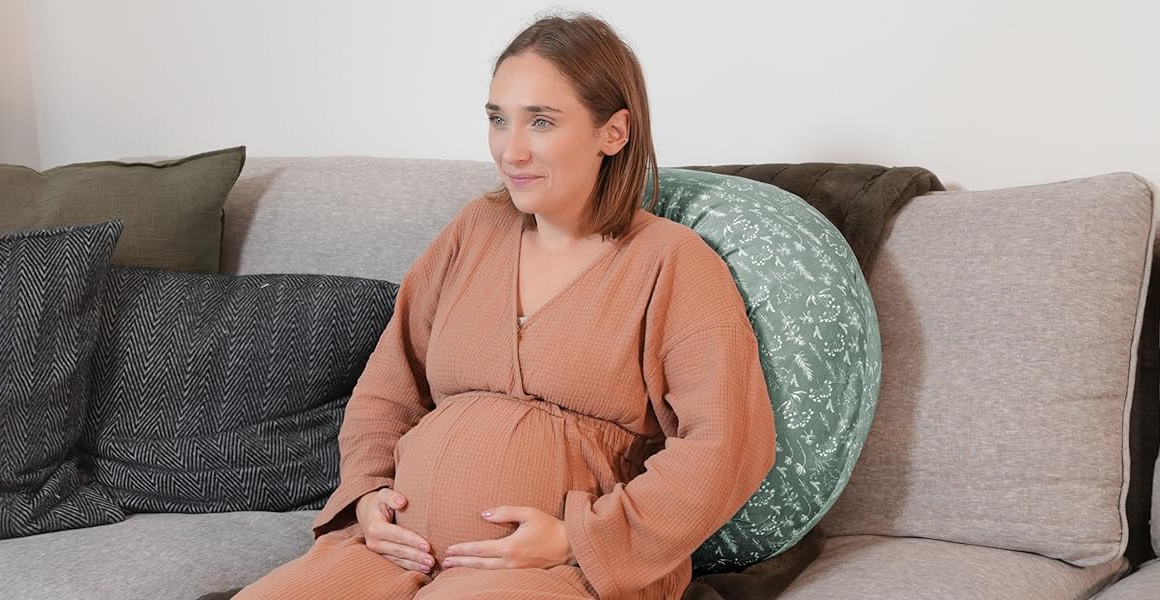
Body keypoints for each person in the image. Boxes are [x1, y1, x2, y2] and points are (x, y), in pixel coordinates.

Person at [237, 13, 774, 600]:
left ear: (613, 132)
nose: (510, 151)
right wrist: (366, 494)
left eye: (541, 121)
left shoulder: (672, 262)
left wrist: (576, 538)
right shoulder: (475, 229)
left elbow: (726, 444)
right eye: (498, 119)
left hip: (563, 569)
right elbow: (390, 384)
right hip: (396, 552)